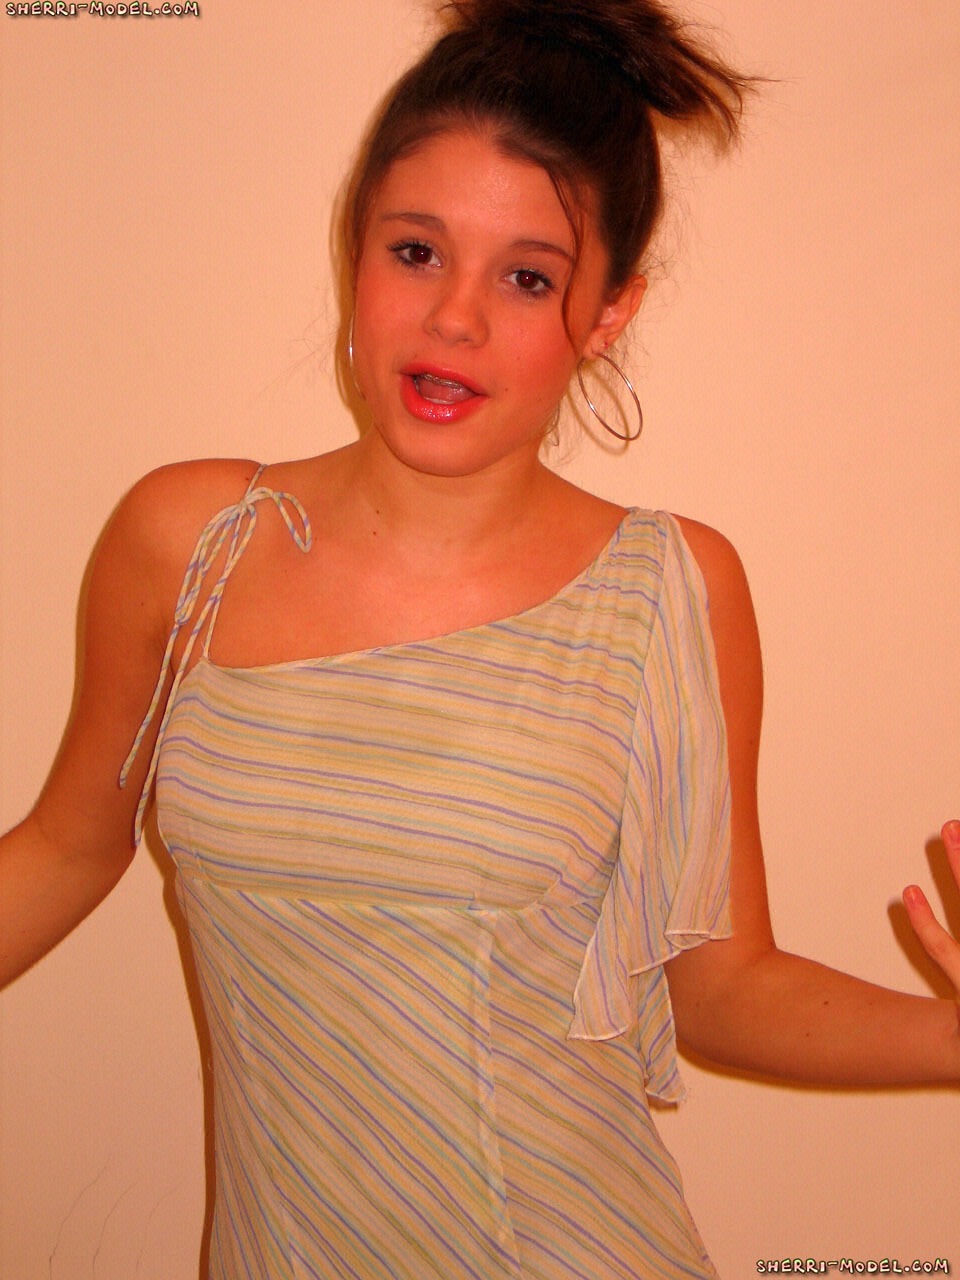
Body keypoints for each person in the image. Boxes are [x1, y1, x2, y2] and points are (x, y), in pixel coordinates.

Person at [2, 1, 958, 1277]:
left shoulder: (669, 589)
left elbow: (720, 980)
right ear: (354, 247)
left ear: (607, 311)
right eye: (416, 251)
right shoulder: (192, 541)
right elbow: (68, 846)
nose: (453, 319)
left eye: (527, 277)